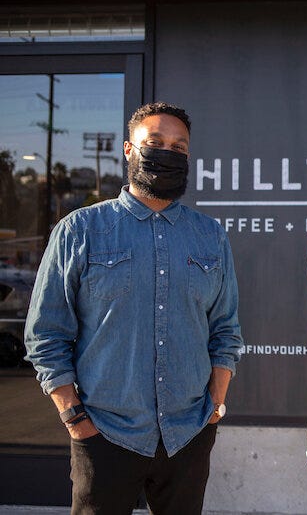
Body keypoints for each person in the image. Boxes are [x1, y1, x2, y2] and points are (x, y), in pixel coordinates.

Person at [24, 102, 243, 515]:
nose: (168, 152)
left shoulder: (209, 236)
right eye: (155, 142)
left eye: (179, 147)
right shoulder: (80, 230)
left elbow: (225, 330)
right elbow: (46, 335)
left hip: (188, 434)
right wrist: (75, 419)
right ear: (129, 150)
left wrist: (214, 407)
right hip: (104, 433)